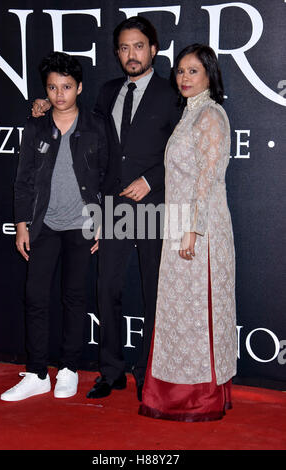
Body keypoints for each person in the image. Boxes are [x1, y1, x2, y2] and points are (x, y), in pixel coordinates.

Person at [31, 17, 182, 402]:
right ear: (117, 53)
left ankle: (147, 373)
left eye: (139, 46)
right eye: (124, 47)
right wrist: (46, 104)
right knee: (107, 289)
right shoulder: (106, 92)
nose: (131, 54)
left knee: (152, 291)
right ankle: (110, 371)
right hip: (113, 206)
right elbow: (84, 132)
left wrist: (151, 181)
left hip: (153, 205)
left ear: (154, 49)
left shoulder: (171, 94)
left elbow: (184, 155)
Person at [0, 52, 107, 402]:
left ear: (78, 88)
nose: (59, 94)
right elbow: (23, 182)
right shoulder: (36, 127)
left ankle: (69, 369)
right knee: (35, 297)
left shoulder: (96, 126)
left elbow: (107, 178)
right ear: (45, 91)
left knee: (75, 298)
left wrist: (104, 220)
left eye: (66, 86)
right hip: (43, 224)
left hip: (81, 226)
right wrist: (21, 225)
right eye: (52, 87)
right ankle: (36, 373)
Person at [138, 44, 237, 422]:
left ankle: (196, 398)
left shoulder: (210, 115)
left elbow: (208, 182)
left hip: (202, 227)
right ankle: (175, 392)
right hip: (179, 221)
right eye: (180, 71)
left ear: (210, 74)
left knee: (197, 310)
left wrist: (193, 231)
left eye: (193, 71)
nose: (184, 78)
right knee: (179, 311)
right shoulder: (189, 114)